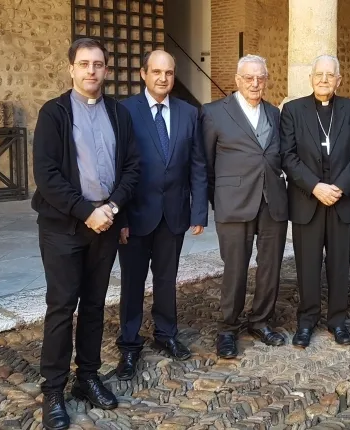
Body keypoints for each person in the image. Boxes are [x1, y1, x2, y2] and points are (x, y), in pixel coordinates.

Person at [31, 38, 139, 430]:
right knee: (62, 307)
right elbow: (46, 175)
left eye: (98, 64)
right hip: (63, 227)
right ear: (71, 69)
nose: (91, 70)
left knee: (94, 304)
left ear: (106, 70)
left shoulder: (118, 113)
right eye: (84, 64)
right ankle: (54, 390)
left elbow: (132, 167)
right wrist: (86, 211)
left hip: (105, 223)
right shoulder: (54, 112)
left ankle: (87, 376)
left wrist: (112, 208)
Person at [115, 49, 208, 379]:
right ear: (143, 74)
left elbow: (198, 164)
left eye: (168, 72)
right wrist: (120, 218)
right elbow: (118, 167)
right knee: (132, 282)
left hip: (174, 213)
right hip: (135, 216)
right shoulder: (125, 111)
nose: (163, 78)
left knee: (167, 280)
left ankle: (166, 333)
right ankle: (129, 343)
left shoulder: (188, 112)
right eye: (156, 72)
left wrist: (199, 210)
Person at [202, 55, 288, 358]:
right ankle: (228, 327)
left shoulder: (274, 113)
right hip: (234, 203)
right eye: (249, 78)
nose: (255, 83)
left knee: (270, 266)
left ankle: (261, 320)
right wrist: (217, 200)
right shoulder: (214, 112)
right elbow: (205, 164)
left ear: (266, 80)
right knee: (235, 268)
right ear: (237, 80)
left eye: (260, 78)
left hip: (272, 201)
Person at [281, 54, 350, 347]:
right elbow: (287, 156)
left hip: (342, 202)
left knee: (339, 264)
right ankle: (306, 321)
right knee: (307, 265)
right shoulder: (293, 110)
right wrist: (315, 186)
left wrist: (339, 188)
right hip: (307, 200)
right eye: (318, 74)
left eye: (330, 75)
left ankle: (337, 321)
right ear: (311, 78)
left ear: (338, 80)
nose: (323, 79)